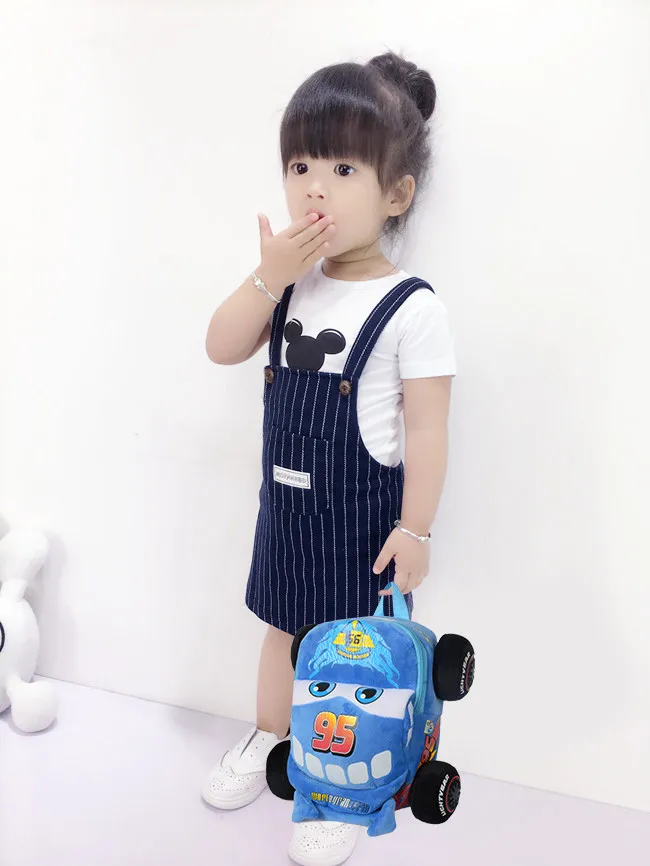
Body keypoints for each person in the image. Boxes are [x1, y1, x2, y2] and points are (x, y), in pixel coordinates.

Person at [202, 50, 456, 866]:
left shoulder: (411, 307)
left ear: (395, 194)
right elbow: (221, 346)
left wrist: (416, 529)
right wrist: (267, 275)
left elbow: (428, 431)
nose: (315, 187)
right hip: (287, 514)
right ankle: (269, 739)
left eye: (343, 169)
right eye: (300, 165)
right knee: (282, 634)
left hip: (361, 523)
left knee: (349, 664)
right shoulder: (289, 283)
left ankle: (341, 786)